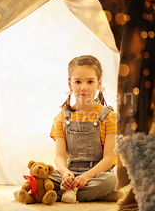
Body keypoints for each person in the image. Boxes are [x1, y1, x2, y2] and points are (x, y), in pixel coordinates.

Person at [49, 55, 118, 202]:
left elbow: (109, 159)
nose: (83, 87)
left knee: (110, 180)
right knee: (43, 174)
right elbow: (60, 157)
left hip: (97, 174)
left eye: (90, 81)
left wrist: (87, 176)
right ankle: (100, 195)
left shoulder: (109, 116)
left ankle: (60, 193)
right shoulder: (61, 118)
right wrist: (66, 173)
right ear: (70, 84)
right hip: (70, 172)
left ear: (99, 83)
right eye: (78, 82)